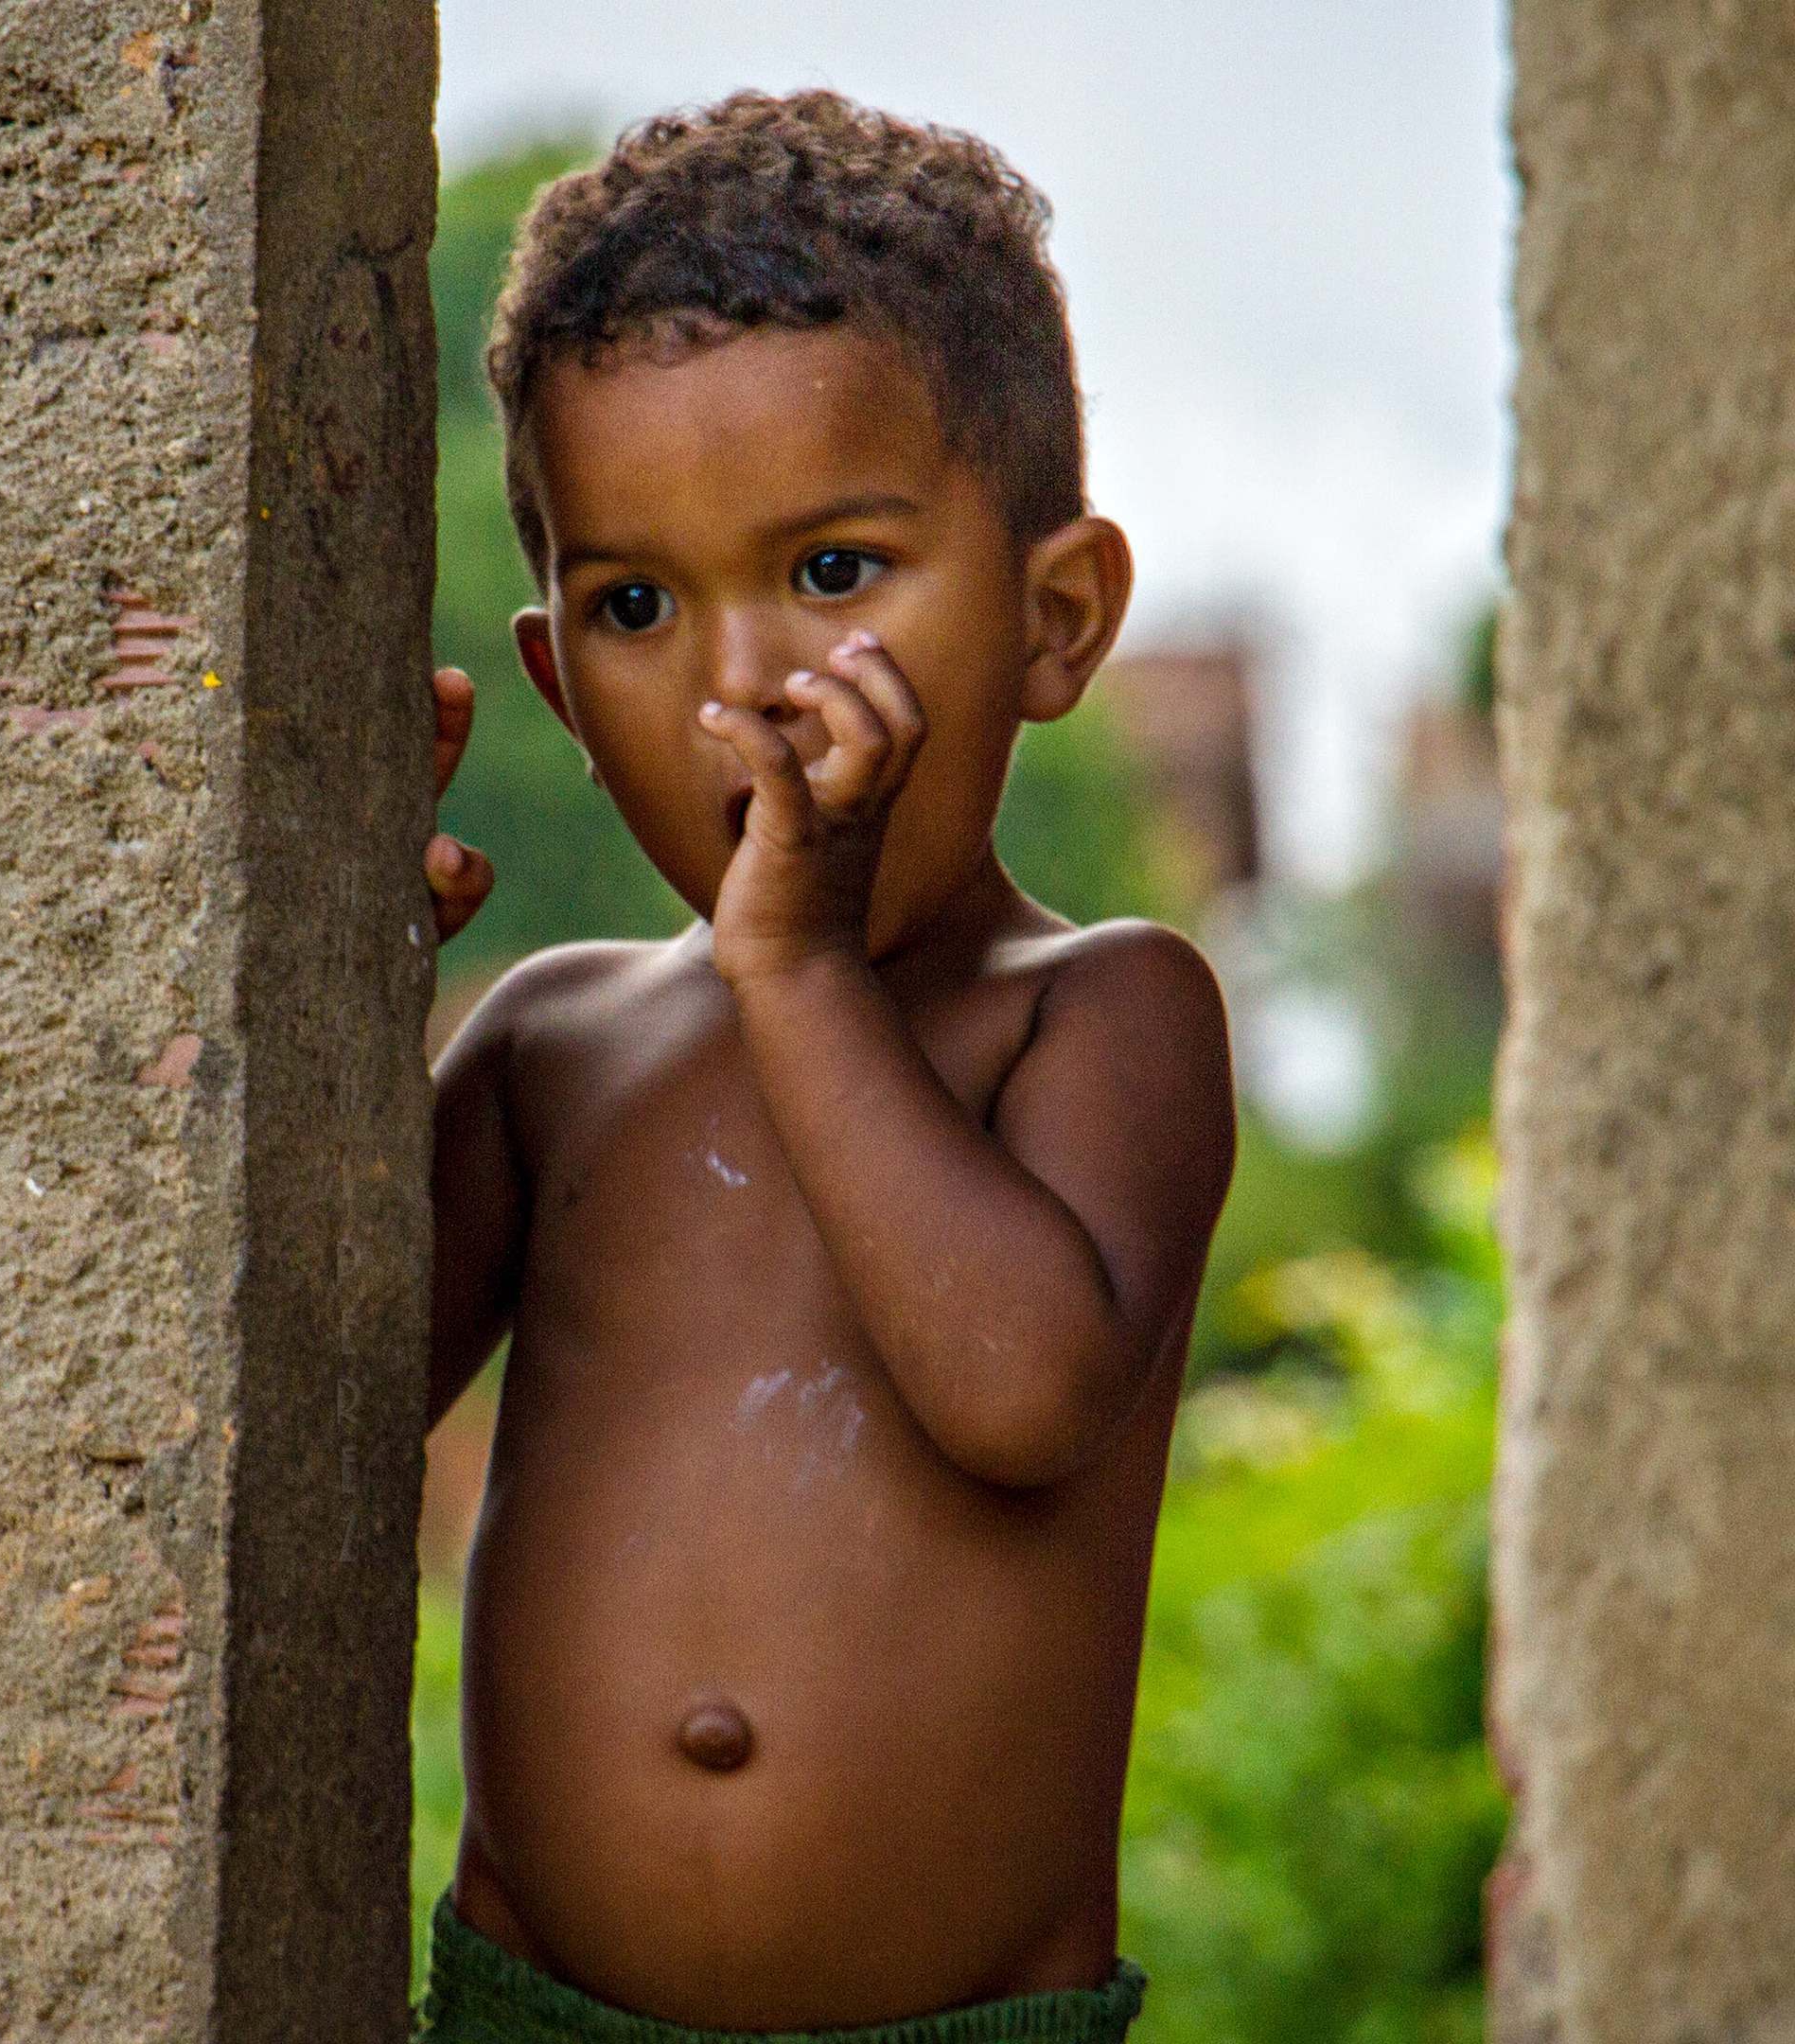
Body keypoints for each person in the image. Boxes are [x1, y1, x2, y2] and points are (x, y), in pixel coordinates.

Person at [414, 91, 1235, 2044]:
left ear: (1055, 621)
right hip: (541, 2012)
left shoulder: (1102, 1012)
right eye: (636, 606)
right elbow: (306, 1398)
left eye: (837, 573)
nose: (742, 682)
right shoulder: (552, 1045)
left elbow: (1028, 1392)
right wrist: (342, 991)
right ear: (555, 686)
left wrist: (792, 969)